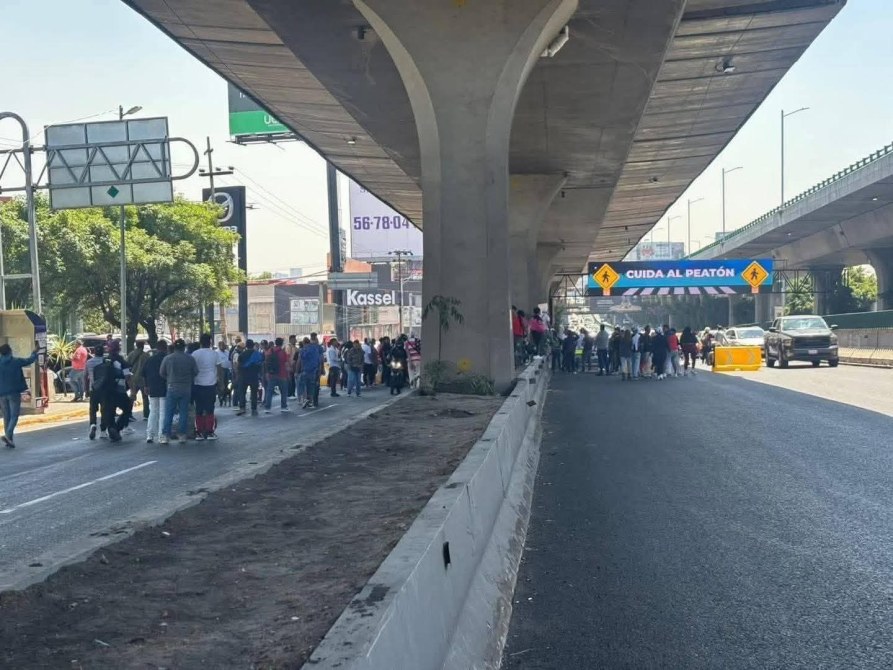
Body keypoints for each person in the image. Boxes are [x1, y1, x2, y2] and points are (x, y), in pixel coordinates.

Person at [0, 342, 39, 448]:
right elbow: (29, 360)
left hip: (1, 393)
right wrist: (34, 353)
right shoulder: (15, 361)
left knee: (6, 416)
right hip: (14, 392)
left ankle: (10, 439)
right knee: (14, 415)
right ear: (10, 351)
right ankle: (8, 436)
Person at [160, 339, 198, 444]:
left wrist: (169, 378)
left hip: (172, 386)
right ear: (184, 347)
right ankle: (182, 435)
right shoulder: (190, 359)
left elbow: (162, 373)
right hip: (186, 387)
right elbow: (195, 372)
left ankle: (165, 435)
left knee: (169, 412)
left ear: (174, 347)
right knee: (183, 412)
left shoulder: (168, 358)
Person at [192, 333, 222, 440]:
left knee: (199, 408)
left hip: (197, 384)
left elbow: (192, 369)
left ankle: (199, 432)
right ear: (209, 342)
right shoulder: (214, 354)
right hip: (210, 384)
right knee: (210, 408)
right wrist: (220, 381)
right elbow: (219, 368)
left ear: (200, 342)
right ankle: (209, 432)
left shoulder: (195, 354)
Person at [142, 340, 168, 443]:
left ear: (157, 348)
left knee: (153, 411)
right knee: (163, 412)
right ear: (165, 348)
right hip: (164, 387)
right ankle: (161, 435)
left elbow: (144, 374)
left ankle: (150, 435)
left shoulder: (150, 359)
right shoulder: (166, 359)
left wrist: (146, 386)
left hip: (152, 387)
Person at [236, 339, 263, 416]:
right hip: (254, 376)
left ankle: (242, 408)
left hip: (243, 376)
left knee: (242, 392)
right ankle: (254, 409)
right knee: (254, 393)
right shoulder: (257, 354)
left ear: (246, 346)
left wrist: (238, 375)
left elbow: (238, 366)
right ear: (253, 345)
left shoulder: (241, 354)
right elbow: (260, 365)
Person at [263, 337, 290, 414]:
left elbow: (266, 362)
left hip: (272, 374)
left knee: (269, 391)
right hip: (282, 374)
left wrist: (267, 373)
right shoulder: (283, 352)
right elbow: (286, 364)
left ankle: (267, 407)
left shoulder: (270, 351)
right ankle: (283, 406)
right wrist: (288, 374)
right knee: (284, 391)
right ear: (281, 344)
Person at [86, 345, 107, 439]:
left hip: (93, 389)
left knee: (93, 409)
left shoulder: (89, 362)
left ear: (94, 352)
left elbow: (85, 377)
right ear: (103, 352)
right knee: (104, 410)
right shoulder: (106, 361)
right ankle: (103, 431)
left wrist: (86, 390)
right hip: (104, 389)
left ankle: (93, 424)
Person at [297, 335, 324, 408]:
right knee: (313, 386)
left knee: (304, 385)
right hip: (314, 370)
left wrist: (297, 371)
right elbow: (320, 360)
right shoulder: (316, 349)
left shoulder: (303, 350)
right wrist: (321, 370)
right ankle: (311, 401)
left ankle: (305, 399)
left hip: (305, 370)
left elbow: (300, 361)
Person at [127, 341, 150, 420]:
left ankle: (128, 413)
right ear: (143, 346)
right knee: (145, 397)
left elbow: (127, 365)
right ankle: (146, 415)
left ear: (136, 346)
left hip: (133, 379)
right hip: (143, 379)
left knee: (132, 395)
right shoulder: (146, 355)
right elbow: (148, 368)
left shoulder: (131, 354)